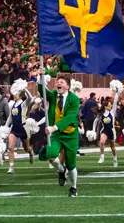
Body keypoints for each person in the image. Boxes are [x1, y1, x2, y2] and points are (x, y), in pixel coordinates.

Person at [36, 70, 81, 198]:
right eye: (57, 82)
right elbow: (43, 91)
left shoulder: (74, 99)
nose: (58, 83)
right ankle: (61, 170)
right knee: (50, 155)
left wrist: (54, 127)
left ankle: (73, 187)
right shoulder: (54, 94)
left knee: (71, 164)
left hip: (70, 135)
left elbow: (69, 118)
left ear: (67, 86)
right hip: (56, 135)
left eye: (62, 82)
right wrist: (41, 77)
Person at [6, 84, 34, 173]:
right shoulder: (12, 104)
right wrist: (6, 127)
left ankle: (31, 152)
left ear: (20, 95)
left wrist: (25, 89)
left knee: (26, 148)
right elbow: (10, 116)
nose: (14, 95)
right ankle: (11, 167)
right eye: (14, 94)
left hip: (23, 128)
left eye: (16, 94)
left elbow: (30, 98)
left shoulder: (23, 104)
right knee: (10, 147)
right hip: (14, 128)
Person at [94, 88, 120, 167]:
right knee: (102, 142)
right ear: (105, 107)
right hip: (104, 130)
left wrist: (117, 92)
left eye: (110, 105)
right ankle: (102, 157)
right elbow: (96, 121)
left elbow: (115, 102)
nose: (111, 106)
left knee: (112, 147)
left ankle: (115, 158)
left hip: (111, 131)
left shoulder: (112, 112)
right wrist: (93, 130)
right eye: (109, 105)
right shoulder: (101, 113)